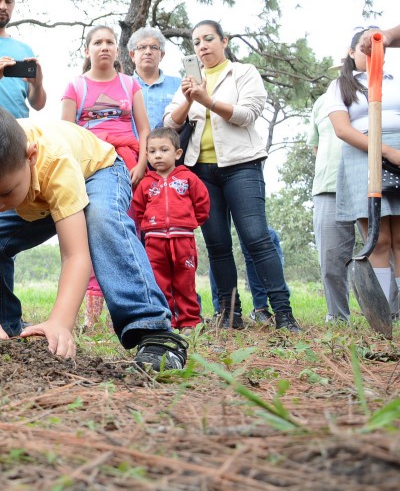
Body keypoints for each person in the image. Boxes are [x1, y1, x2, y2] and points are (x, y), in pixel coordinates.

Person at [0, 102, 185, 370]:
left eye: (4, 194)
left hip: (98, 172)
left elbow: (75, 255)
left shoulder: (53, 160)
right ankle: (1, 328)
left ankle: (152, 330)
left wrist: (60, 322)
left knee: (102, 218)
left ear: (30, 156)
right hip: (36, 197)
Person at [164, 19, 301, 332]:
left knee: (257, 239)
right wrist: (189, 98)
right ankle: (229, 316)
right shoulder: (189, 82)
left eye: (208, 39)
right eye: (196, 42)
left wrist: (207, 100)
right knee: (217, 243)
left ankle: (283, 314)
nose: (202, 46)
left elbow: (248, 114)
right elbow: (170, 124)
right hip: (202, 171)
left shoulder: (243, 72)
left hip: (242, 166)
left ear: (223, 41)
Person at [61, 25, 150, 326]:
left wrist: (141, 165)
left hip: (126, 164)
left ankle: (126, 309)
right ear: (87, 51)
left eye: (110, 42)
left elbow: (145, 129)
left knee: (124, 232)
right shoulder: (75, 86)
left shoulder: (130, 85)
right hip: (89, 165)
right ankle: (91, 315)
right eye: (97, 42)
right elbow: (64, 132)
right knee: (90, 232)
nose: (104, 47)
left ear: (117, 49)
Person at [326, 28, 400, 318]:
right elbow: (342, 129)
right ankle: (383, 314)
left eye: (376, 45)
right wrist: (385, 151)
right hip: (363, 154)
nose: (370, 50)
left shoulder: (394, 80)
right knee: (379, 238)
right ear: (351, 52)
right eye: (364, 46)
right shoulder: (340, 86)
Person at [131, 128, 210, 331]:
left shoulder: (188, 179)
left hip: (183, 240)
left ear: (177, 153)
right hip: (154, 243)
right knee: (159, 283)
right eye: (152, 151)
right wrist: (151, 226)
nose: (158, 155)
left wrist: (188, 223)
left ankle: (190, 322)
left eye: (164, 150)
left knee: (185, 283)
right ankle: (167, 322)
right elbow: (139, 210)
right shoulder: (146, 183)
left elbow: (202, 204)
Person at [310, 87, 356, 323]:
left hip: (376, 179)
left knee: (387, 247)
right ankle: (337, 317)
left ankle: (392, 314)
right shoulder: (323, 101)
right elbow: (316, 146)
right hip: (328, 183)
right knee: (330, 258)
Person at [129, 27, 181, 130]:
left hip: (170, 145)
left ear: (161, 55)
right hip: (133, 145)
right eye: (142, 47)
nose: (148, 52)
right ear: (132, 55)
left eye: (154, 47)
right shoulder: (123, 86)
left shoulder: (179, 85)